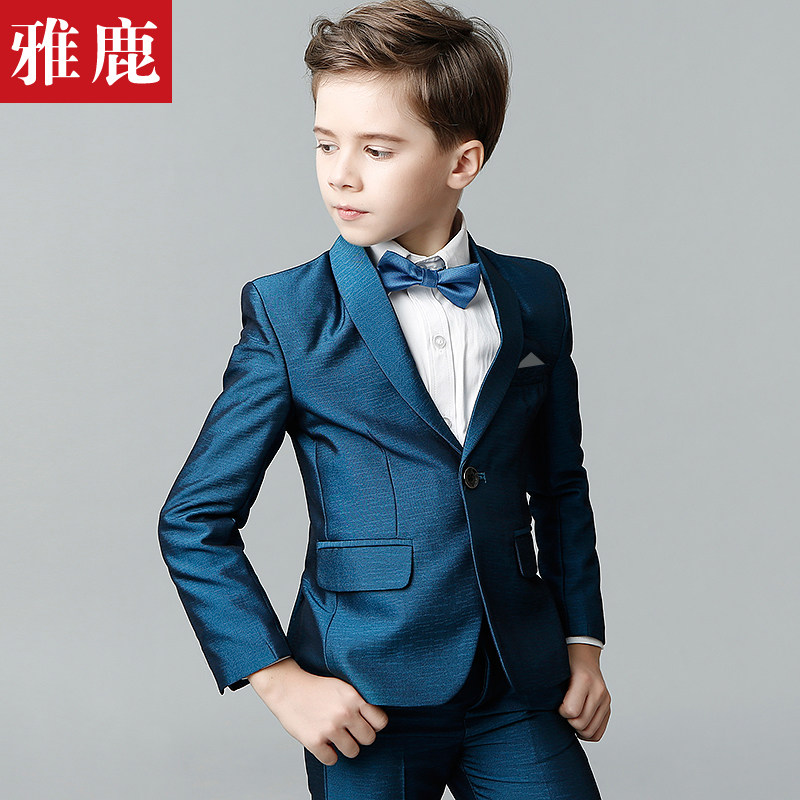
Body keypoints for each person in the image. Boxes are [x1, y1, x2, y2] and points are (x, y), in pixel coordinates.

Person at [158, 1, 611, 797]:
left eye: (377, 149)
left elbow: (560, 485)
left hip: (518, 678)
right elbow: (193, 520)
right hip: (364, 688)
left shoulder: (536, 295)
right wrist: (278, 679)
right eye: (325, 143)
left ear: (462, 162)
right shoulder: (289, 311)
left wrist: (583, 641)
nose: (341, 173)